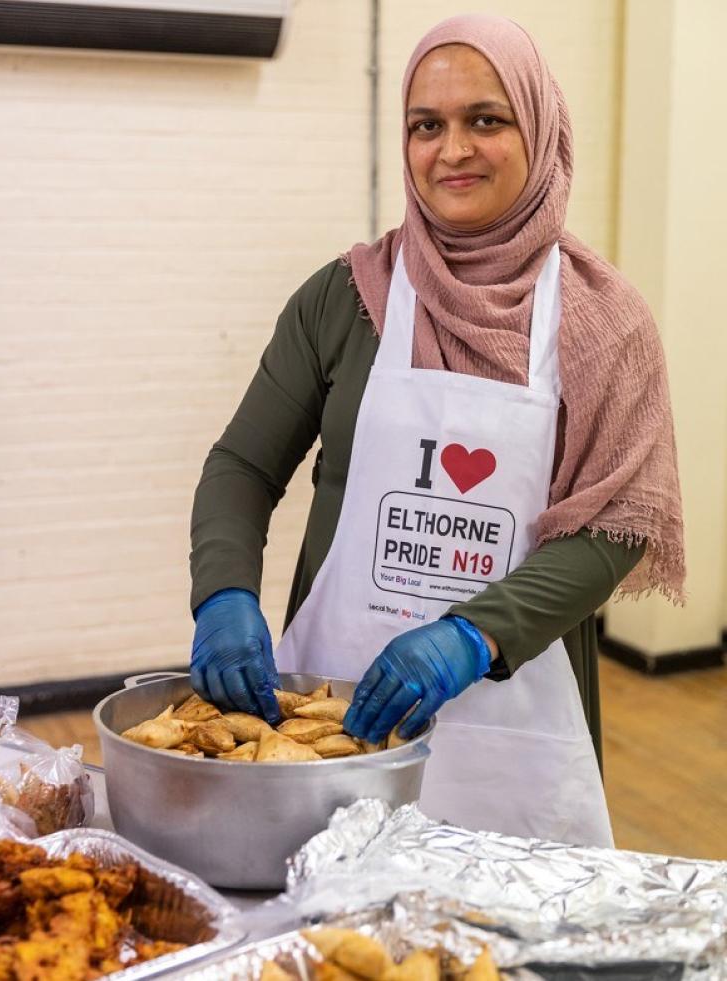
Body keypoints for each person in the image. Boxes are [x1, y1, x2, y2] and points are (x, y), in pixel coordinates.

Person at [189, 15, 684, 847]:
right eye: (428, 125)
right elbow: (242, 463)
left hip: (512, 716)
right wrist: (224, 590)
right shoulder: (345, 298)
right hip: (333, 710)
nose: (452, 149)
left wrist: (470, 635)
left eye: (485, 119)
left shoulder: (606, 322)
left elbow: (613, 529)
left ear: (540, 126)